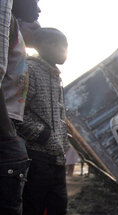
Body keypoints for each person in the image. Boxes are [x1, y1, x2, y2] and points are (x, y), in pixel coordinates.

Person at [16, 27, 69, 215]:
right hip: (36, 157)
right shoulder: (29, 70)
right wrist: (45, 136)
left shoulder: (55, 77)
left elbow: (58, 117)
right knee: (34, 206)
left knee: (58, 206)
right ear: (45, 45)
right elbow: (16, 113)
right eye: (62, 46)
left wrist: (63, 142)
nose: (66, 51)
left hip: (57, 158)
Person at [0, 0, 40, 214]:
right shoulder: (6, 20)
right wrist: (9, 137)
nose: (39, 8)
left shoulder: (12, 24)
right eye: (37, 1)